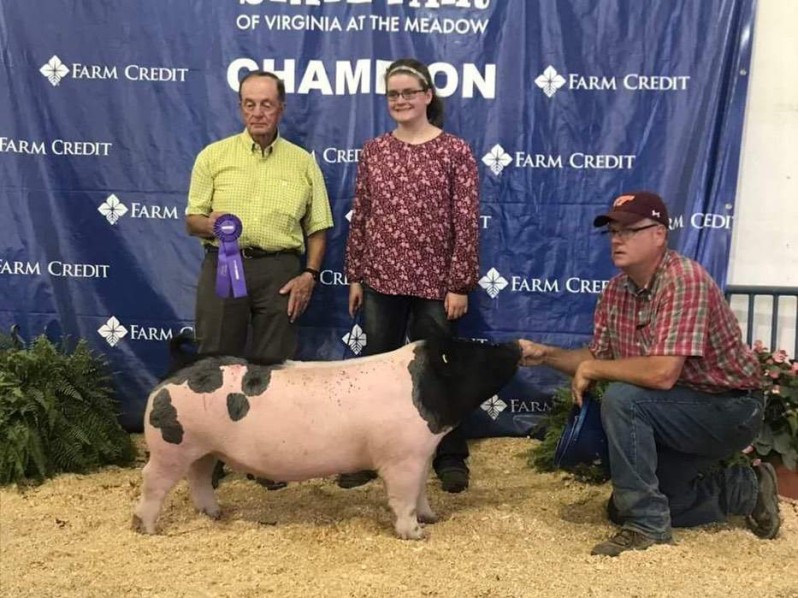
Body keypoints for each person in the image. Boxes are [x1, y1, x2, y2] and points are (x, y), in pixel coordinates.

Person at [519, 191, 781, 557]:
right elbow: (598, 356)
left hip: (730, 410)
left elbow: (661, 374)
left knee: (624, 400)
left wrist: (593, 368)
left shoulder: (684, 279)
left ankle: (648, 528)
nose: (617, 239)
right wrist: (547, 356)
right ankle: (746, 489)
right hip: (677, 411)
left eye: (628, 230)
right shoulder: (615, 291)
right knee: (621, 506)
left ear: (659, 234)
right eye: (612, 232)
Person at [185, 70, 333, 489]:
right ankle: (210, 457)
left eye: (266, 103)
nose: (257, 112)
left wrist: (309, 274)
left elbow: (318, 227)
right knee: (215, 359)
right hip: (225, 263)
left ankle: (267, 461)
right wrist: (210, 224)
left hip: (280, 271)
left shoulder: (302, 162)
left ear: (281, 107)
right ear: (240, 107)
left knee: (274, 367)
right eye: (249, 103)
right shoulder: (213, 156)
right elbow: (191, 218)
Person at [341, 58, 480, 493]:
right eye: (393, 94)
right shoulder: (374, 150)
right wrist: (356, 275)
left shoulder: (454, 150)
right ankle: (367, 455)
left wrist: (459, 283)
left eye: (408, 92)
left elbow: (466, 221)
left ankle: (451, 456)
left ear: (426, 96)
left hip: (436, 286)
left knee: (439, 369)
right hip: (380, 280)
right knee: (375, 372)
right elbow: (361, 215)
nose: (400, 100)